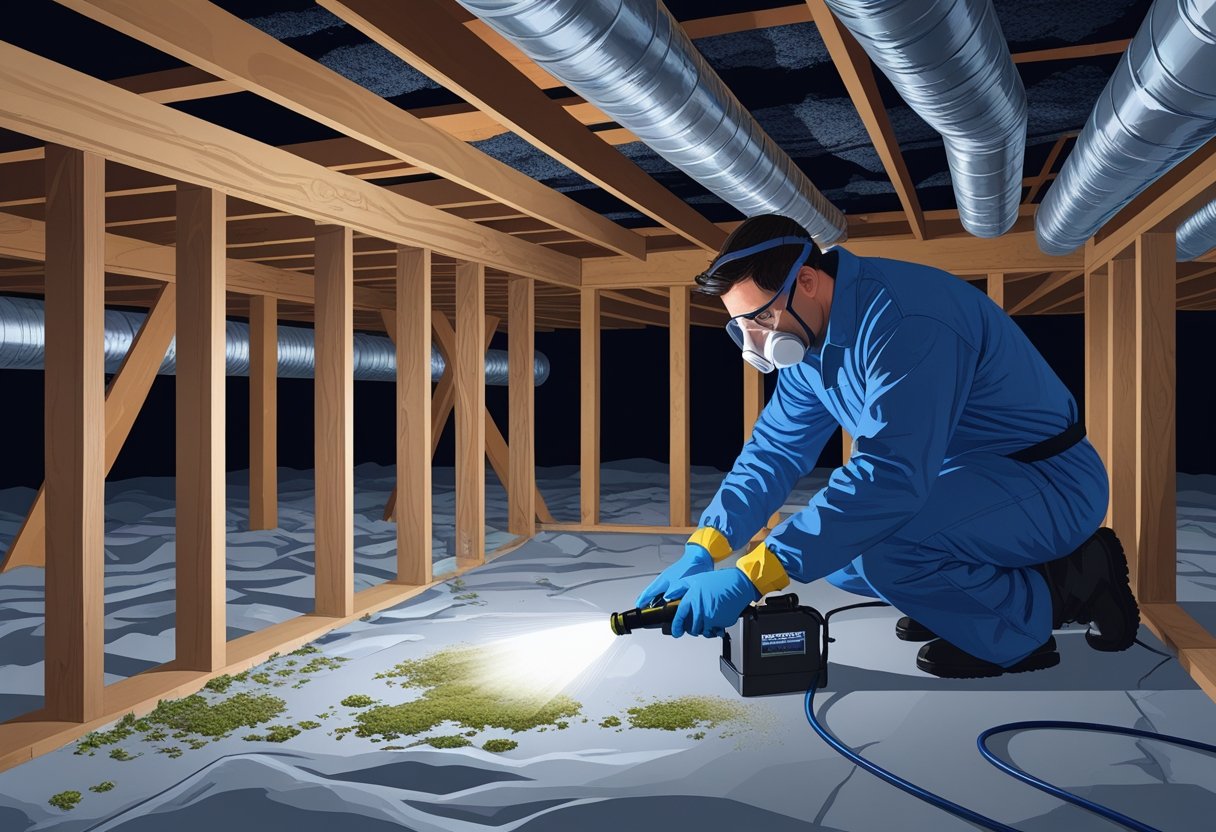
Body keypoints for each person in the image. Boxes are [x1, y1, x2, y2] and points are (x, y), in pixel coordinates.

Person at [635, 214, 1140, 679]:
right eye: (740, 326)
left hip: (1046, 484)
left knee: (886, 548)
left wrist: (750, 578)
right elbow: (775, 450)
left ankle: (1046, 608)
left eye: (759, 318)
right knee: (839, 556)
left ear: (805, 282)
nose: (754, 340)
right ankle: (970, 603)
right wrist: (705, 547)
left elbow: (889, 476)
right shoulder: (812, 341)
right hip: (959, 487)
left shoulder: (906, 321)